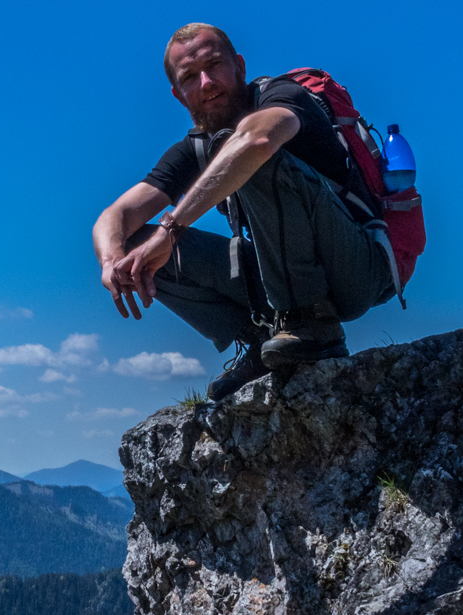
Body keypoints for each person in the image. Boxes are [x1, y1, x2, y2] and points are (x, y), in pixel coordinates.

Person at [92, 23, 395, 400]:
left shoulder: (283, 96)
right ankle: (261, 339)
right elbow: (115, 215)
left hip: (357, 269)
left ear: (239, 66)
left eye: (214, 65)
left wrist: (169, 232)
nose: (206, 82)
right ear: (178, 94)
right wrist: (112, 262)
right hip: (280, 278)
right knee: (136, 247)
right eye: (190, 77)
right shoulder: (195, 147)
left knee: (250, 155)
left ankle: (312, 324)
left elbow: (259, 139)